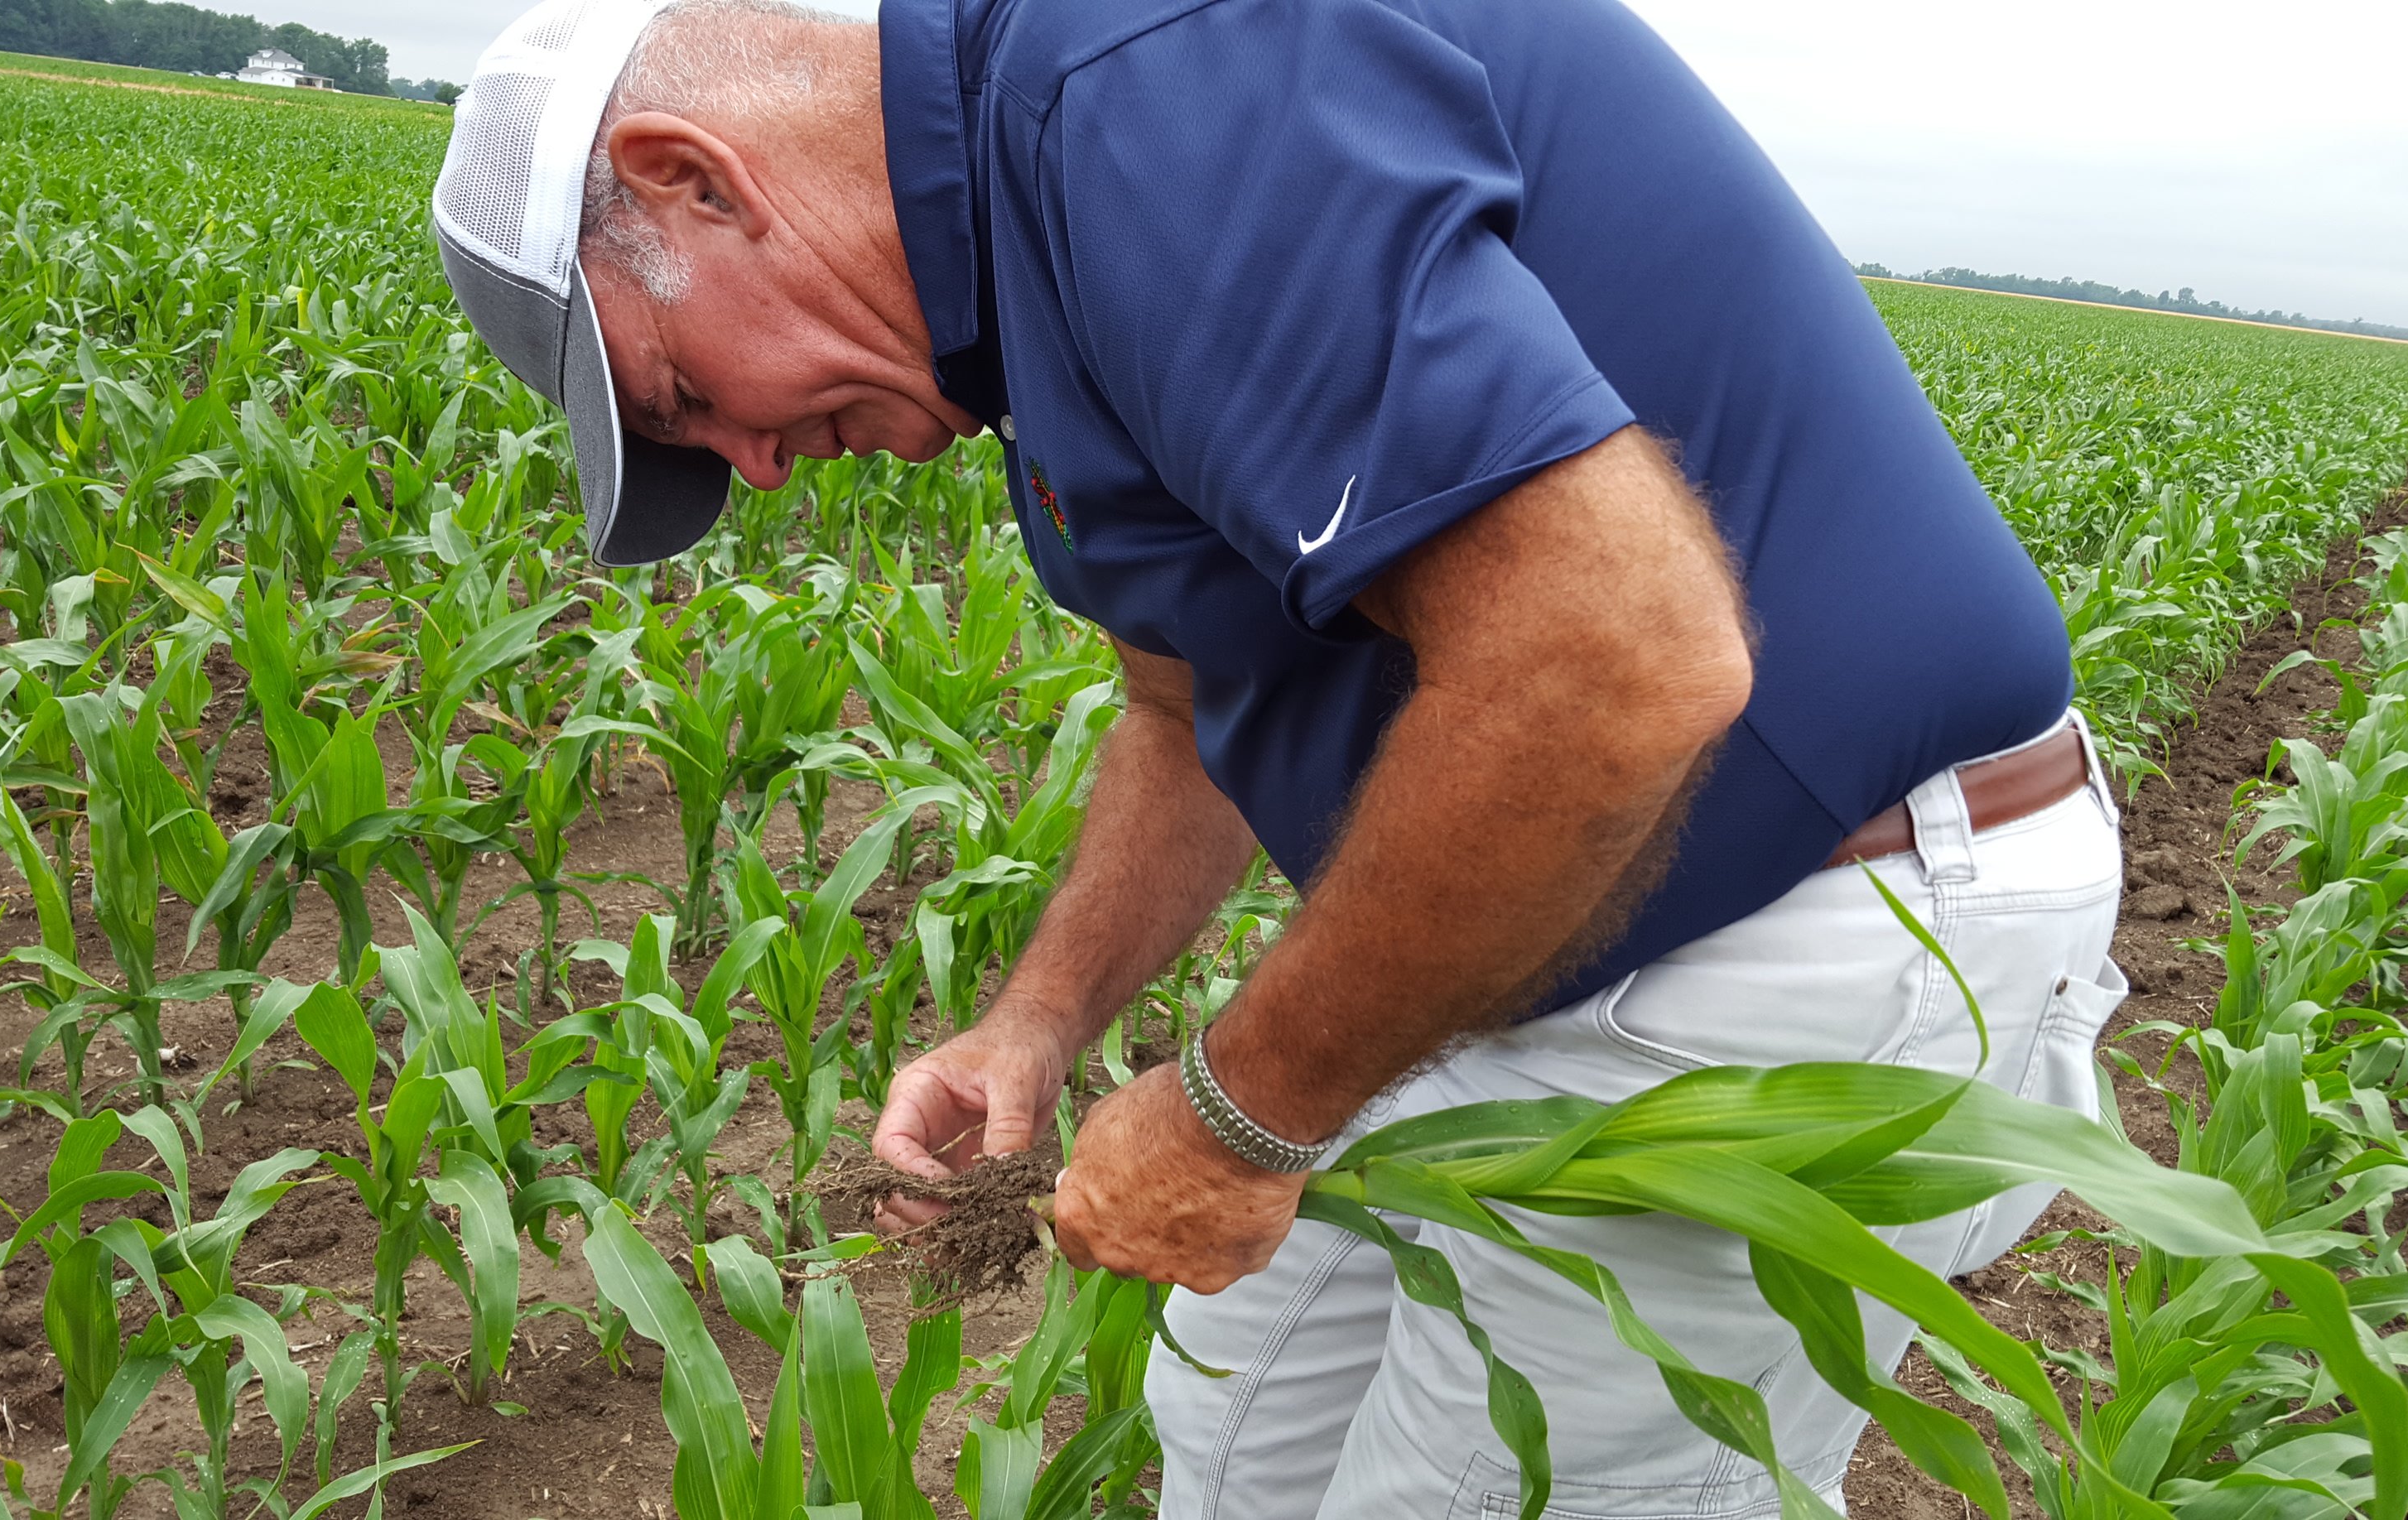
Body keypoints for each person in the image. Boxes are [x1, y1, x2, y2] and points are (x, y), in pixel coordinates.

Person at [429, 0, 2126, 1513]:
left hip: (1814, 930)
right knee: (1234, 1441)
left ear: (692, 181)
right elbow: (1191, 717)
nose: (759, 466)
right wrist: (1040, 1018)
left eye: (683, 398)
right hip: (1533, 945)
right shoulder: (1031, 269)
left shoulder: (1156, 78)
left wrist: (1243, 1115)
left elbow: (1619, 658)